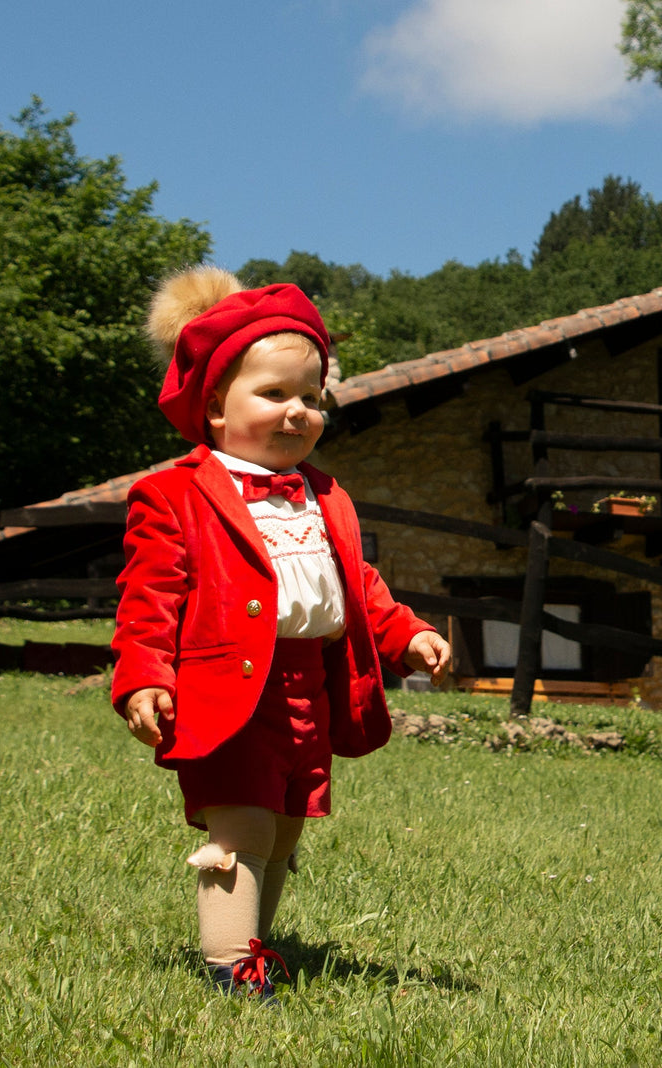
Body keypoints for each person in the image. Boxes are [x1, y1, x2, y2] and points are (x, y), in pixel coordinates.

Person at [111, 266, 450, 999]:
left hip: (309, 691)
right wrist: (143, 674)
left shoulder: (325, 495)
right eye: (273, 394)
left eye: (311, 397)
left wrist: (406, 634)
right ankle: (232, 967)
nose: (297, 412)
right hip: (225, 690)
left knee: (288, 826)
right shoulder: (174, 493)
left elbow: (357, 588)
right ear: (211, 409)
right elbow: (150, 596)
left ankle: (253, 945)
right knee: (244, 829)